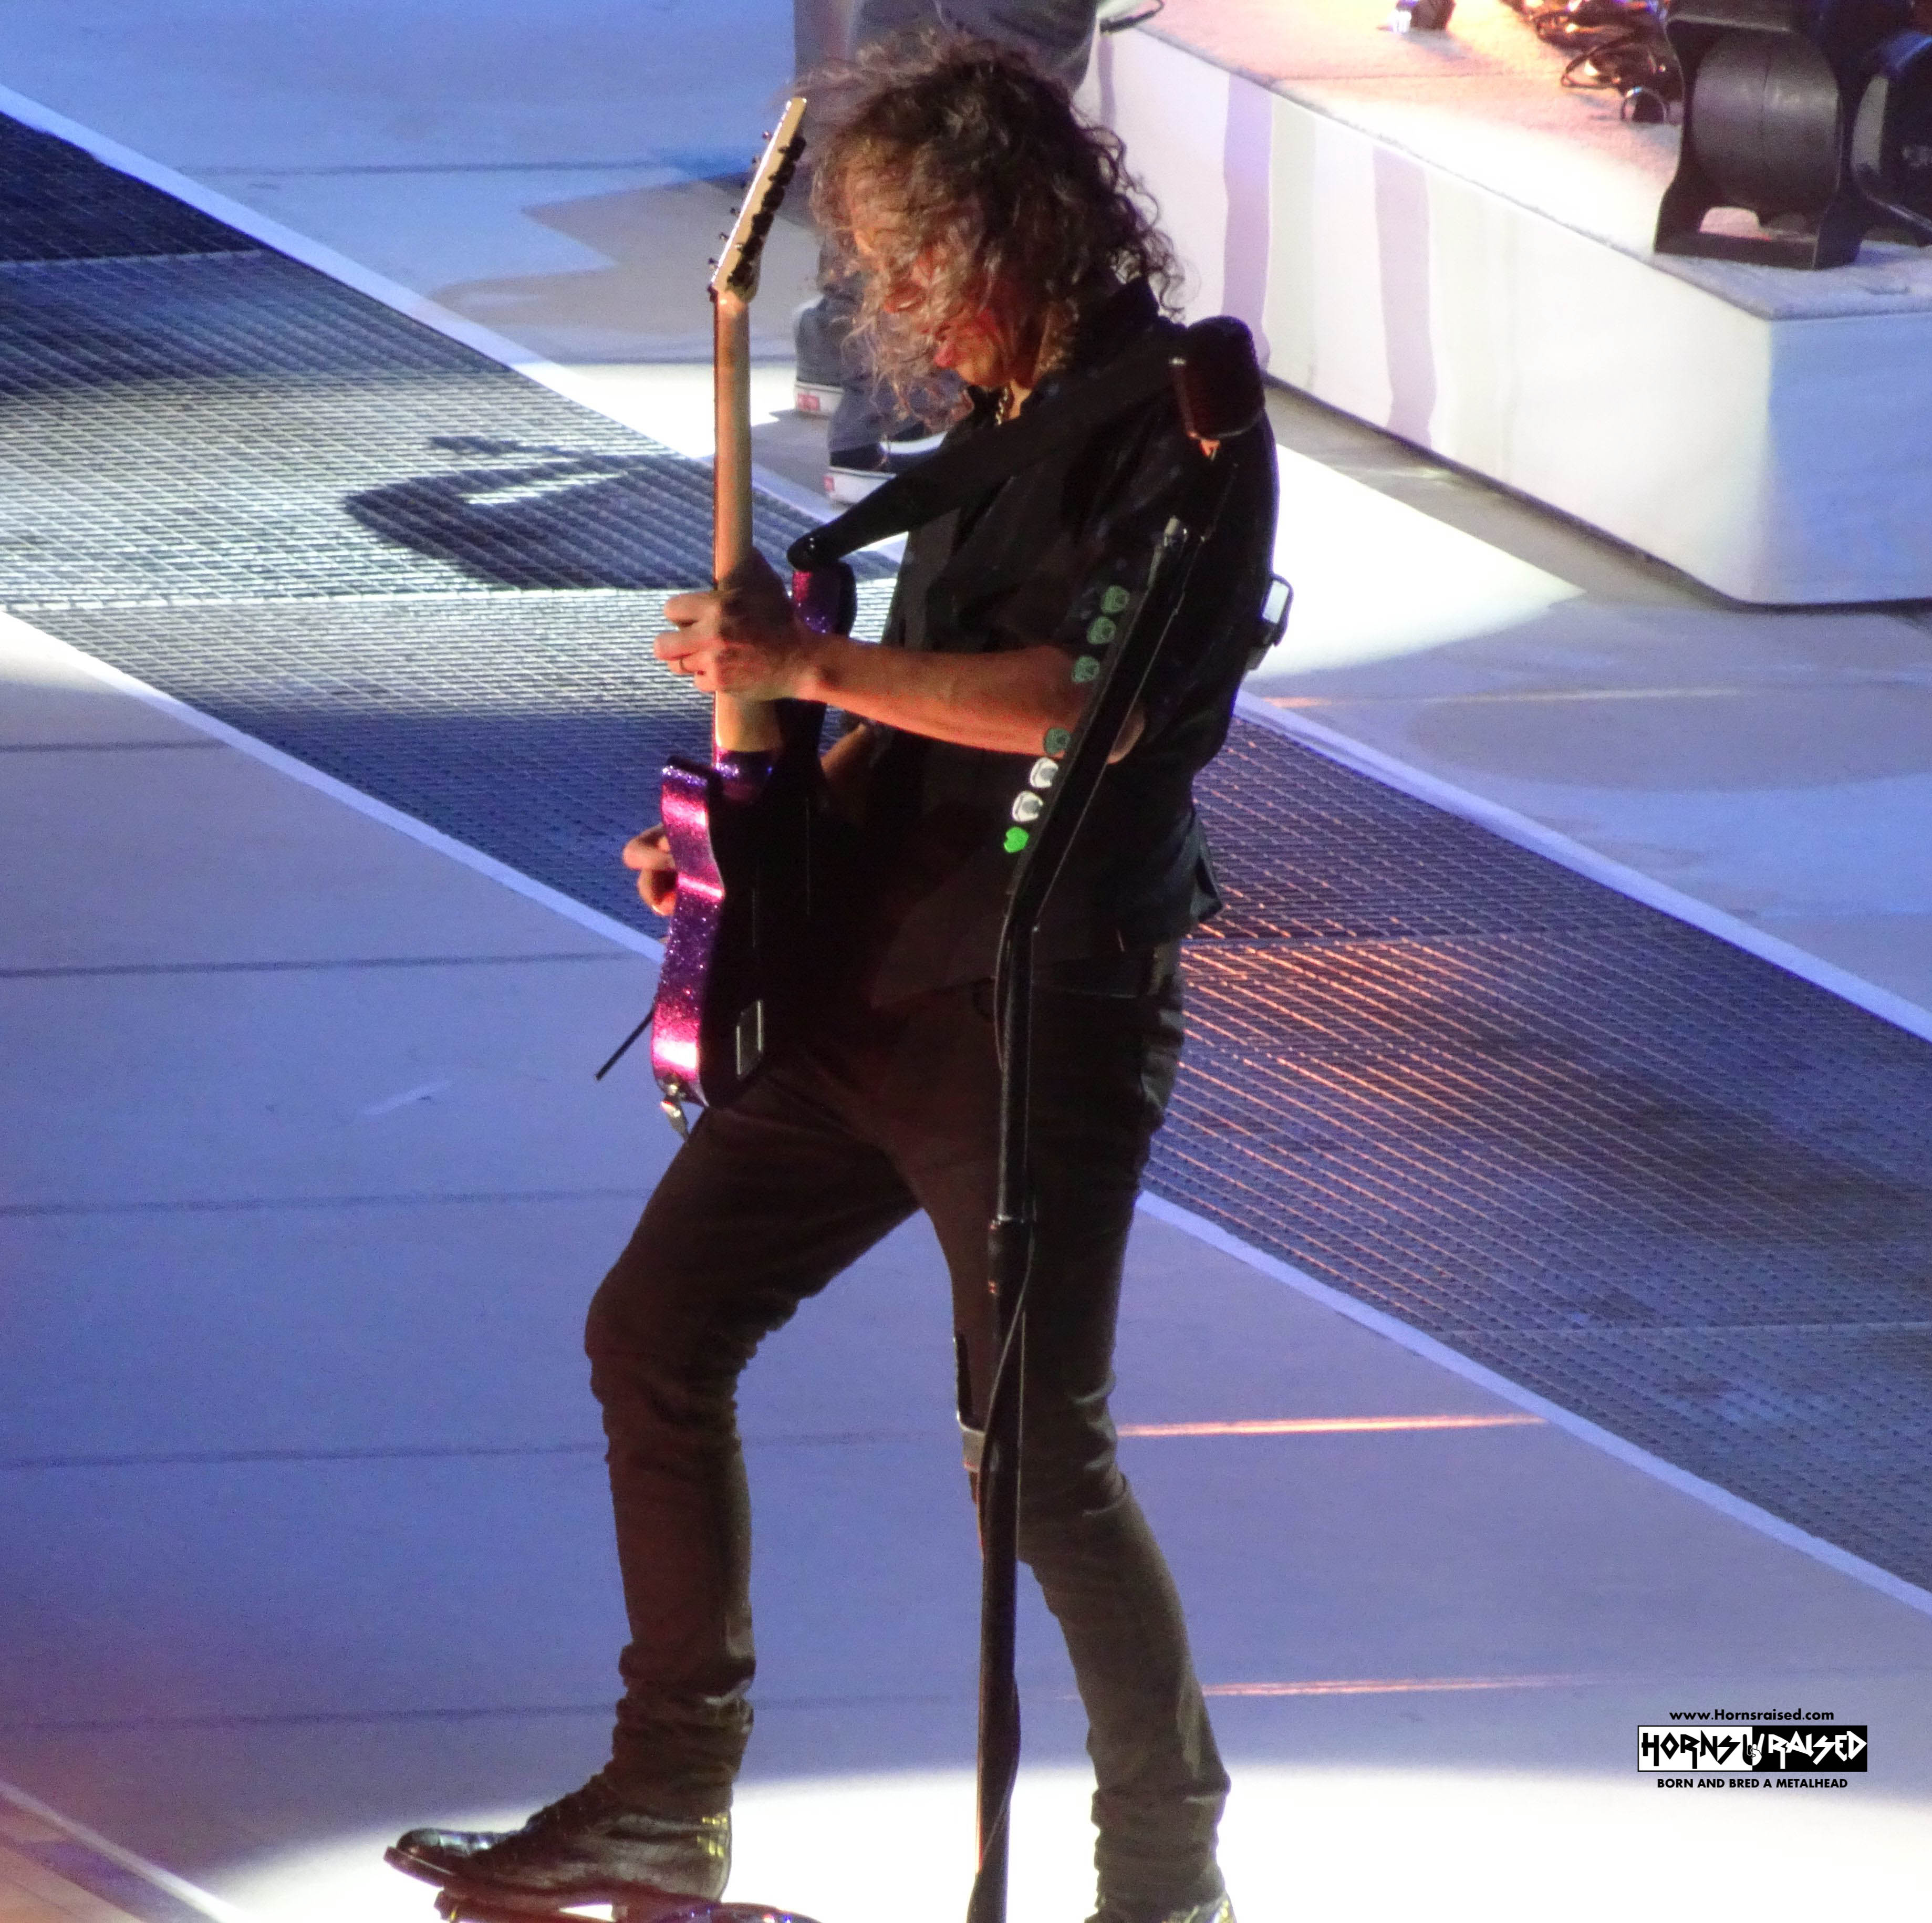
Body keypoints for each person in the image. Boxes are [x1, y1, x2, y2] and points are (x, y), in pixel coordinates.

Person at [387, 36, 1275, 1923]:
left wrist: (807, 672)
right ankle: (665, 1791)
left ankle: (1164, 1872)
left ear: (1020, 227)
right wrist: (744, 835)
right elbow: (910, 723)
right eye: (885, 274)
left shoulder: (1184, 435)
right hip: (878, 981)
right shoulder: (992, 433)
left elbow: (1087, 704)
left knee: (1036, 1463)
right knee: (655, 1331)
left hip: (1044, 1009)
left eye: (926, 269)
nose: (911, 314)